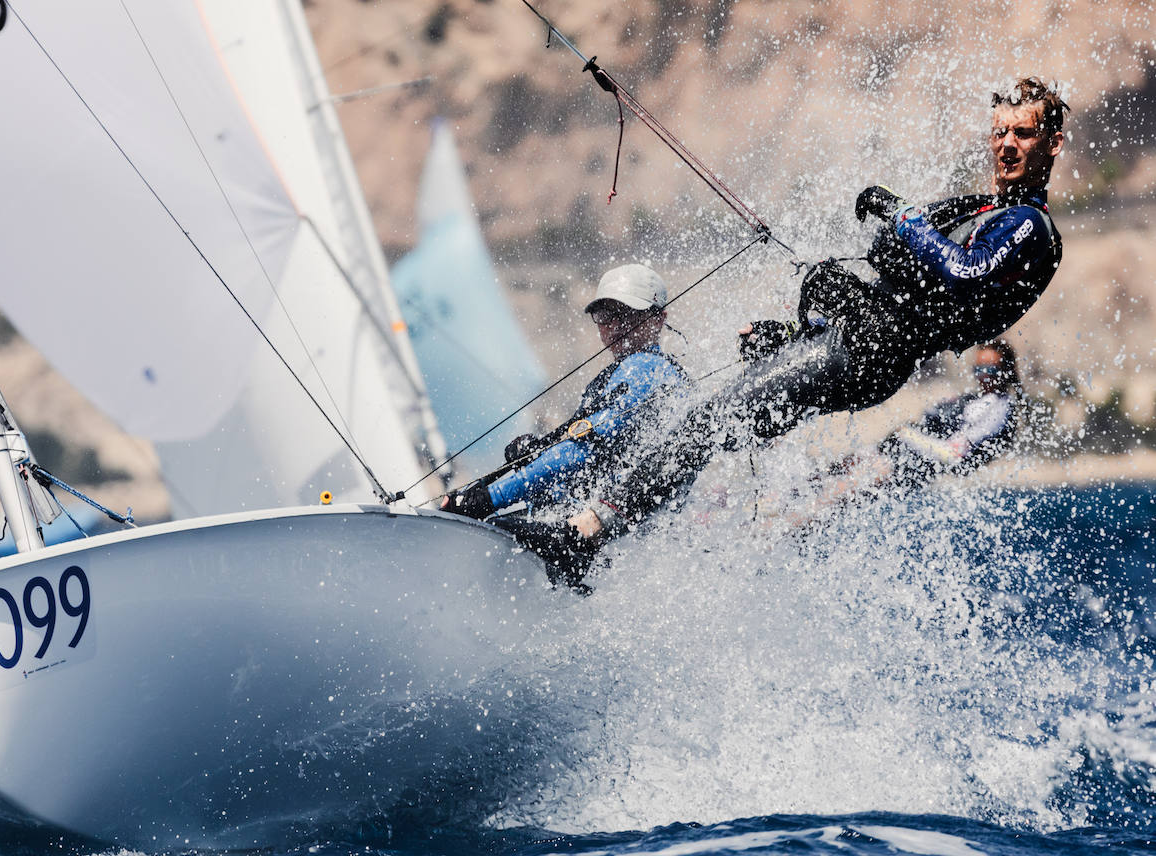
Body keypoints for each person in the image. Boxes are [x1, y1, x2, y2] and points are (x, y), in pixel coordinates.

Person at [566, 76, 1066, 547]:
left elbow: (964, 269)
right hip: (854, 342)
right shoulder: (982, 208)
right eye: (1000, 132)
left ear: (1053, 144)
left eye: (1023, 134)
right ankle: (597, 521)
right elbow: (896, 273)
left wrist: (902, 213)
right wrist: (788, 333)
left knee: (708, 423)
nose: (1007, 145)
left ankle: (588, 530)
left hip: (869, 352)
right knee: (712, 427)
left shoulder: (1032, 227)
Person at [439, 263, 687, 582]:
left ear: (658, 319)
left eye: (626, 313)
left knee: (492, 529)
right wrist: (538, 448)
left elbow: (580, 453)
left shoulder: (643, 371)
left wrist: (489, 497)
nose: (614, 326)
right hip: (621, 549)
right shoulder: (653, 373)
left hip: (598, 542)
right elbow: (587, 444)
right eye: (604, 315)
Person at [789, 340, 1024, 524]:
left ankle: (784, 531)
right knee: (831, 471)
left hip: (911, 465)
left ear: (1006, 371)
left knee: (839, 495)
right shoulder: (975, 400)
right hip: (899, 450)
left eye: (990, 370)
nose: (983, 376)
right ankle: (781, 505)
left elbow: (953, 454)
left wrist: (907, 434)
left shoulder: (999, 408)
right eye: (978, 369)